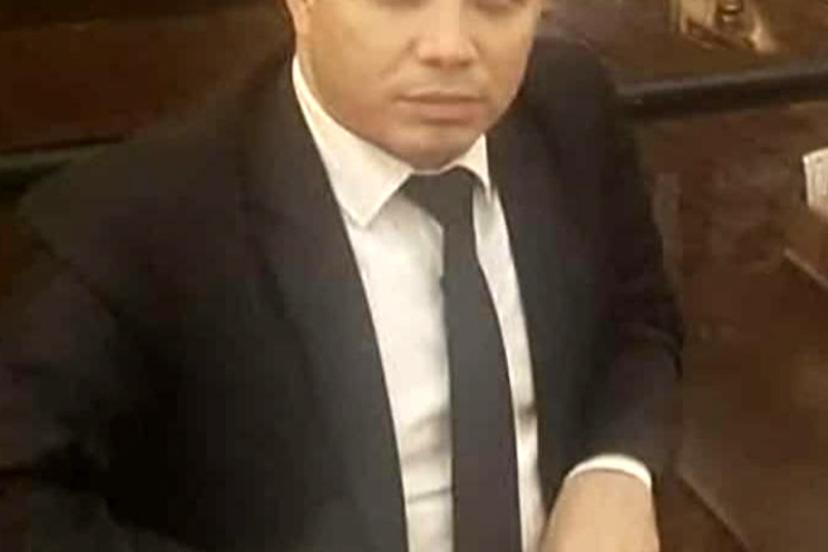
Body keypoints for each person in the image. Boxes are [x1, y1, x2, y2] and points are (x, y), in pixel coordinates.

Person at [0, 0, 683, 551]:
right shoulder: (132, 224)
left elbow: (637, 318)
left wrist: (614, 469)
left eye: (496, 3)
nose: (449, 45)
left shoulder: (570, 109)